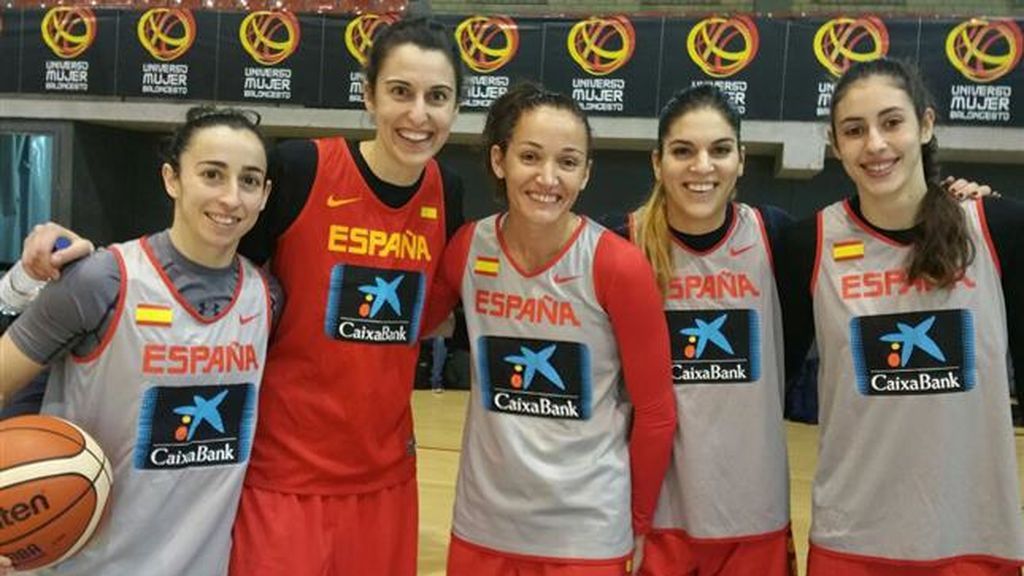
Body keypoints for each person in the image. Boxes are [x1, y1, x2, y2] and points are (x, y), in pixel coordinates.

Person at [14, 18, 465, 575]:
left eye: (437, 97)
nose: (418, 114)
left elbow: (431, 315)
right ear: (369, 95)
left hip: (387, 481)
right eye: (400, 91)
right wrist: (83, 266)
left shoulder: (448, 191)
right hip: (282, 479)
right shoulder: (302, 167)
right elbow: (199, 252)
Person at [0, 106, 275, 576]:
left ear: (265, 194)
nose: (231, 197)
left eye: (249, 181)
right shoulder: (101, 280)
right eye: (212, 174)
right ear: (172, 179)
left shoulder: (268, 296)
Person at [778, 58, 1024, 575]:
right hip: (851, 542)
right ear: (834, 142)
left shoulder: (997, 227)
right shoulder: (810, 244)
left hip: (975, 539)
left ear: (925, 125)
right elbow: (764, 390)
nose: (875, 144)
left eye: (891, 122)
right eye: (854, 130)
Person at [424, 83, 677, 575]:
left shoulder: (616, 266)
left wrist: (639, 522)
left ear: (585, 173)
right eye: (530, 156)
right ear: (500, 161)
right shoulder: (468, 249)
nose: (547, 177)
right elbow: (409, 328)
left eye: (567, 162)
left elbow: (656, 412)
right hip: (482, 527)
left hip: (584, 535)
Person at [616, 85, 795, 576]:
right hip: (655, 519)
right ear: (657, 162)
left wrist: (961, 199)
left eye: (719, 150)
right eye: (682, 151)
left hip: (753, 515)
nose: (702, 166)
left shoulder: (776, 236)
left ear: (741, 159)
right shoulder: (619, 241)